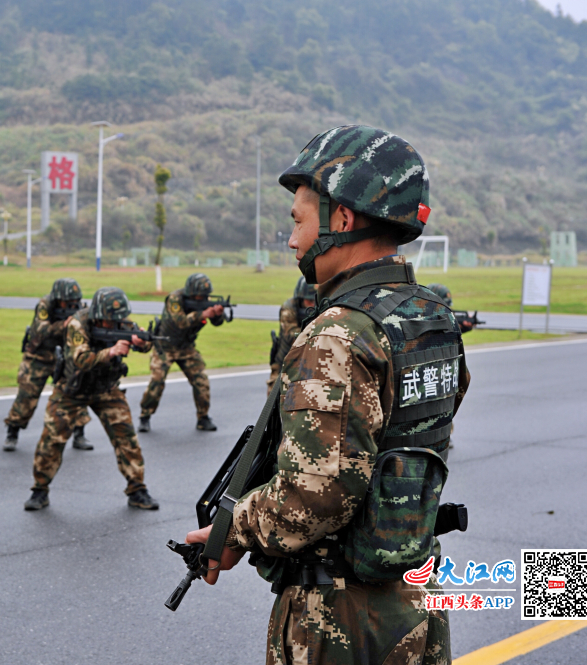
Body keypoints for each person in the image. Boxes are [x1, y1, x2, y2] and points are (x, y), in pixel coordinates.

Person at [184, 125, 469, 665]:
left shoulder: (339, 333)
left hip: (340, 616)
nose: (292, 240)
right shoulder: (432, 317)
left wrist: (233, 529)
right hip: (417, 600)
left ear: (341, 218)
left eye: (298, 221)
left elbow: (317, 496)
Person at [24, 287, 158, 512]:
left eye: (118, 319)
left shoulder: (122, 323)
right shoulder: (78, 324)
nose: (114, 323)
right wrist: (112, 351)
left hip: (105, 388)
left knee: (126, 437)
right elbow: (81, 360)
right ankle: (39, 490)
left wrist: (142, 342)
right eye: (109, 320)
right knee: (52, 440)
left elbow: (144, 343)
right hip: (72, 390)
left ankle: (137, 489)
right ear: (98, 314)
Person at [3, 278, 92, 452]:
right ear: (58, 299)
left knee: (75, 392)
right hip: (39, 356)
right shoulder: (45, 305)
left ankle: (79, 433)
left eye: (75, 301)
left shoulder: (80, 309)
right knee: (27, 395)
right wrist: (63, 325)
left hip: (64, 357)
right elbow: (41, 330)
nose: (72, 304)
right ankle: (12, 432)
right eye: (68, 301)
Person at [137, 273, 226, 433]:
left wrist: (217, 315)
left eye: (204, 296)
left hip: (186, 347)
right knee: (157, 381)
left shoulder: (205, 302)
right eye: (199, 296)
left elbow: (217, 322)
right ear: (191, 292)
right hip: (165, 347)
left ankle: (203, 417)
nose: (202, 299)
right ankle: (145, 416)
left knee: (201, 381)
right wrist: (203, 314)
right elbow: (180, 322)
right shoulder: (175, 299)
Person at [266, 276, 316, 394]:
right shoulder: (289, 308)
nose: (313, 305)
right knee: (275, 399)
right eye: (309, 301)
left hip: (310, 365)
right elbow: (292, 335)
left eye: (315, 301)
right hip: (284, 364)